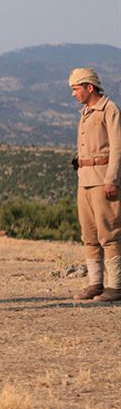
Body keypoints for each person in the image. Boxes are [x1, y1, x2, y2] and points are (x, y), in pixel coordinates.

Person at [69, 67, 121, 301]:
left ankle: (116, 286)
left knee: (109, 233)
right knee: (89, 235)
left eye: (76, 88)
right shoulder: (85, 112)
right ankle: (95, 284)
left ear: (90, 87)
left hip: (103, 180)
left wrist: (112, 179)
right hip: (85, 181)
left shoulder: (109, 110)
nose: (73, 93)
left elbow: (117, 148)